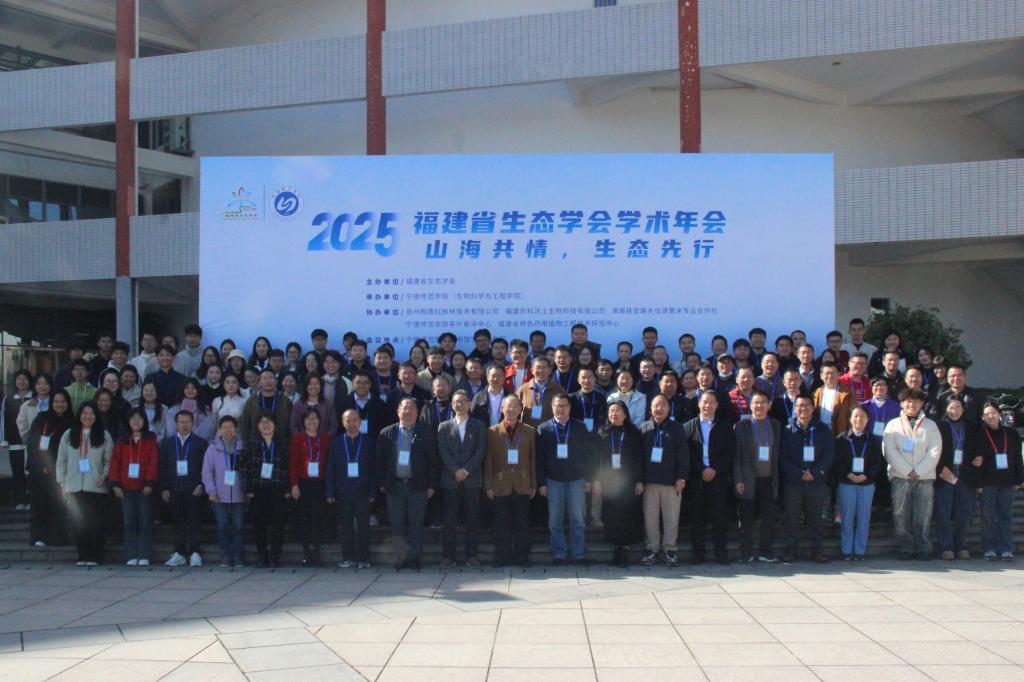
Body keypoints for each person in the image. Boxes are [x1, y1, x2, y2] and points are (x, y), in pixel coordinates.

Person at [376, 398, 438, 570]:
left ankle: (414, 558)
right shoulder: (387, 433)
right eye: (404, 408)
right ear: (398, 412)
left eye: (412, 409)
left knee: (416, 524)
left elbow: (433, 461)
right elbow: (379, 461)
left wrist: (432, 485)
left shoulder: (424, 432)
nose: (408, 412)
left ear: (417, 413)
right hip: (394, 486)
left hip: (418, 486)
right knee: (397, 525)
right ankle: (400, 558)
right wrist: (382, 483)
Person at [882, 387, 942, 560]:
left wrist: (919, 471)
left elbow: (935, 451)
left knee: (923, 515)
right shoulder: (893, 425)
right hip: (900, 476)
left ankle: (923, 548)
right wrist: (908, 471)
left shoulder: (931, 425)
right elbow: (889, 450)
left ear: (922, 404)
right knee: (900, 514)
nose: (912, 405)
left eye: (916, 401)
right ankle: (905, 548)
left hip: (925, 478)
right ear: (902, 403)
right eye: (908, 401)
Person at [537, 393, 593, 565]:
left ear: (570, 408)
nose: (561, 409)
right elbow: (539, 459)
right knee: (555, 520)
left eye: (564, 406)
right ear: (552, 407)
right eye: (557, 406)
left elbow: (588, 456)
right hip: (553, 481)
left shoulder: (580, 427)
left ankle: (578, 554)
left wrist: (588, 478)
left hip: (577, 480)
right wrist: (541, 482)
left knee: (578, 520)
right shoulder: (543, 429)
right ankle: (559, 554)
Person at [56, 402, 113, 566]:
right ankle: (83, 555)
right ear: (79, 415)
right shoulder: (69, 435)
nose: (88, 417)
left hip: (95, 487)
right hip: (74, 486)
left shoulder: (104, 435)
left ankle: (95, 556)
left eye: (91, 414)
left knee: (95, 523)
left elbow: (109, 460)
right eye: (84, 413)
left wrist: (104, 474)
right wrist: (62, 483)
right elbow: (61, 461)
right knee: (79, 523)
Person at [780, 395, 834, 563]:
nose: (803, 408)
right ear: (795, 408)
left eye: (806, 405)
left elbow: (829, 454)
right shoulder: (788, 429)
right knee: (791, 519)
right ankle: (791, 551)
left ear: (813, 408)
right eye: (799, 406)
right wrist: (799, 473)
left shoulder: (822, 429)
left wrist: (815, 472)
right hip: (793, 482)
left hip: (816, 481)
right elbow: (783, 457)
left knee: (816, 518)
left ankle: (817, 551)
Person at [484, 395, 536, 567]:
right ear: (502, 409)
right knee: (501, 524)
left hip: (522, 483)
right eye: (508, 406)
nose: (511, 409)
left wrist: (533, 483)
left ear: (520, 410)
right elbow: (489, 460)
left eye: (515, 406)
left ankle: (522, 557)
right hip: (500, 484)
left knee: (522, 523)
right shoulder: (492, 432)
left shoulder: (529, 431)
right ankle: (502, 557)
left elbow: (532, 460)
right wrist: (489, 485)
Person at [683, 392, 734, 565]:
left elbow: (729, 452)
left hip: (718, 478)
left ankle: (721, 553)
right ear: (699, 404)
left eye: (711, 402)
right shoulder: (688, 426)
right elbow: (687, 453)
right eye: (705, 402)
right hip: (697, 479)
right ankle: (698, 554)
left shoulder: (725, 426)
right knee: (697, 517)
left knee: (719, 516)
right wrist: (701, 470)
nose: (707, 406)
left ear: (717, 405)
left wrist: (715, 469)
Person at [437, 389, 486, 568]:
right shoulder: (444, 426)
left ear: (470, 403)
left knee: (472, 519)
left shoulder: (479, 426)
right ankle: (448, 556)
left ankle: (471, 555)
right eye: (456, 402)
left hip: (472, 479)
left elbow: (480, 450)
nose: (459, 404)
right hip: (451, 480)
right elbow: (443, 451)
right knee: (449, 521)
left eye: (463, 401)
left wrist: (466, 470)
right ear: (452, 405)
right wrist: (455, 470)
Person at [593, 400, 643, 567]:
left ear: (625, 414)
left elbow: (639, 458)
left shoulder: (634, 433)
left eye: (617, 411)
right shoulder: (602, 433)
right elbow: (597, 460)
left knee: (627, 514)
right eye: (611, 411)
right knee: (612, 515)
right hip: (609, 481)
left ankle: (625, 550)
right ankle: (616, 548)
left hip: (629, 480)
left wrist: (640, 480)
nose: (613, 414)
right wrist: (596, 480)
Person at [639, 395, 688, 567]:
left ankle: (670, 549)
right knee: (650, 518)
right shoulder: (644, 428)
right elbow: (638, 457)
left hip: (671, 481)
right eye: (656, 406)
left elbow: (683, 454)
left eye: (663, 405)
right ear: (650, 409)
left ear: (669, 408)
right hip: (649, 481)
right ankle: (651, 548)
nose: (659, 409)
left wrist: (682, 477)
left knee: (671, 518)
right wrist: (639, 480)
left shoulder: (677, 428)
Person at [733, 390, 781, 563]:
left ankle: (765, 552)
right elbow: (736, 455)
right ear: (750, 405)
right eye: (755, 403)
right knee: (746, 519)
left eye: (763, 402)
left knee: (767, 518)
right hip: (747, 479)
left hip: (768, 479)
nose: (759, 406)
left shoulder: (776, 425)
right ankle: (746, 552)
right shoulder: (741, 426)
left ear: (769, 405)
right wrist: (738, 478)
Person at [108, 408, 159, 566]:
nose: (136, 422)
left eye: (139, 419)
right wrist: (115, 484)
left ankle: (144, 554)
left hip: (144, 487)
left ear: (144, 421)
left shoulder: (150, 439)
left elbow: (153, 462)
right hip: (126, 488)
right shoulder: (122, 441)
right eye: (133, 419)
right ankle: (131, 554)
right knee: (129, 521)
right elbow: (115, 463)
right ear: (128, 422)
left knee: (145, 521)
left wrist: (150, 482)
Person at [327, 409, 377, 569]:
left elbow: (374, 469)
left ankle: (363, 558)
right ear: (343, 423)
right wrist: (330, 491)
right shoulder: (336, 443)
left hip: (363, 491)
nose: (352, 423)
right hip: (343, 490)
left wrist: (373, 491)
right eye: (348, 420)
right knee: (346, 526)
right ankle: (348, 557)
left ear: (360, 422)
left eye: (355, 420)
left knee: (363, 526)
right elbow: (330, 468)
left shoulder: (368, 442)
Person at [159, 409, 208, 567]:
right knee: (178, 521)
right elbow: (163, 466)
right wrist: (164, 487)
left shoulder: (200, 443)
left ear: (192, 424)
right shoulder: (167, 443)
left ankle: (195, 552)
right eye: (181, 422)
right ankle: (179, 552)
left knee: (195, 520)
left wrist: (201, 484)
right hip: (174, 487)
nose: (184, 425)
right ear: (176, 424)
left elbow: (205, 466)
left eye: (187, 422)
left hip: (194, 488)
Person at [975, 401, 1024, 561]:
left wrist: (1019, 479)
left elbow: (1018, 458)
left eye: (993, 413)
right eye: (987, 414)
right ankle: (989, 548)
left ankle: (1006, 549)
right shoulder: (979, 434)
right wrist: (978, 483)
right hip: (987, 481)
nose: (991, 416)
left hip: (1007, 481)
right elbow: (976, 459)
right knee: (988, 517)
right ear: (982, 417)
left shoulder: (1011, 433)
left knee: (1005, 516)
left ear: (999, 414)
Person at [834, 405, 884, 560]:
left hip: (866, 484)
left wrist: (866, 475)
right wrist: (848, 474)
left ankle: (860, 551)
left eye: (862, 416)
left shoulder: (873, 440)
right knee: (847, 517)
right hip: (847, 483)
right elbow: (837, 461)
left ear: (868, 420)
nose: (858, 419)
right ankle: (846, 550)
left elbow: (877, 462)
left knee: (863, 518)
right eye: (855, 416)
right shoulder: (842, 439)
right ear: (850, 419)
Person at [24, 389, 73, 547]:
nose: (60, 405)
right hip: (40, 470)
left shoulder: (72, 421)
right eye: (56, 401)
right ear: (52, 403)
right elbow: (32, 444)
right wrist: (41, 465)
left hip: (60, 471)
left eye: (63, 401)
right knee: (39, 505)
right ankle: (39, 537)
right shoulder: (41, 418)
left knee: (59, 505)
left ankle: (59, 537)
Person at [243, 412, 290, 567]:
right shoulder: (252, 443)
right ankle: (262, 555)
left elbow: (287, 466)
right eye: (262, 422)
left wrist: (288, 487)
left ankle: (275, 555)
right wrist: (248, 488)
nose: (266, 425)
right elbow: (245, 467)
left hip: (277, 487)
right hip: (258, 488)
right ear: (257, 425)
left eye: (269, 421)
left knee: (278, 523)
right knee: (259, 524)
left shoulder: (282, 443)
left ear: (275, 424)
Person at [934, 397, 977, 560]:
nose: (955, 411)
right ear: (946, 409)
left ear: (963, 409)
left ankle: (961, 544)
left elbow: (978, 448)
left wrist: (979, 458)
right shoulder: (939, 427)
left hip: (965, 476)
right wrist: (940, 468)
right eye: (951, 407)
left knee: (964, 513)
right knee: (943, 513)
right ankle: (945, 546)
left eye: (958, 407)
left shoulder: (972, 427)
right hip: (945, 475)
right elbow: (933, 450)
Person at [203, 415, 246, 568]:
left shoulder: (243, 447)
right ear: (220, 430)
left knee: (239, 527)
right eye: (225, 427)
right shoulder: (213, 448)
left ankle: (239, 557)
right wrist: (211, 490)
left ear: (236, 429)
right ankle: (225, 557)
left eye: (231, 427)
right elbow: (207, 472)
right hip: (219, 494)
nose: (228, 430)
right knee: (222, 526)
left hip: (239, 493)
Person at [289, 407, 328, 567]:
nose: (312, 421)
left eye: (315, 418)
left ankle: (317, 552)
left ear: (319, 421)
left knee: (318, 519)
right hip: (303, 483)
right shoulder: (297, 439)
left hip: (320, 483)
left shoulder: (325, 439)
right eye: (308, 418)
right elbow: (292, 463)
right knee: (304, 519)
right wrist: (294, 485)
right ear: (303, 421)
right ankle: (306, 553)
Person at [3, 369, 33, 509]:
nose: (22, 382)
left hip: (31, 443)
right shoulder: (8, 399)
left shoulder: (34, 398)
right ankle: (20, 500)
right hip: (14, 442)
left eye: (25, 379)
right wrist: (4, 439)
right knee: (17, 472)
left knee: (31, 473)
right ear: (15, 382)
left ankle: (31, 500)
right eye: (19, 379)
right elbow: (3, 419)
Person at [239, 369, 292, 442]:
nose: (268, 381)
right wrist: (248, 442)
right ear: (260, 382)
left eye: (271, 378)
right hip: (257, 442)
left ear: (276, 381)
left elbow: (291, 424)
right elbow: (245, 424)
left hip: (281, 442)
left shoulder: (285, 401)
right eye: (264, 378)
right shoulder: (252, 401)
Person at [517, 356, 565, 429]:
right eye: (538, 367)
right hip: (527, 432)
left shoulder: (559, 390)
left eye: (544, 368)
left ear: (549, 370)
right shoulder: (522, 390)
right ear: (532, 370)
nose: (541, 371)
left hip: (550, 432)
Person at [338, 371, 386, 440]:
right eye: (358, 382)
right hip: (350, 442)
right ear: (353, 383)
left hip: (373, 442)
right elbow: (340, 428)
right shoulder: (344, 403)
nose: (362, 386)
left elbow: (383, 428)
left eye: (365, 383)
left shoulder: (380, 404)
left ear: (370, 384)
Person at [813, 362, 854, 436]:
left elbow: (853, 415)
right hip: (819, 433)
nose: (830, 376)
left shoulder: (847, 394)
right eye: (827, 373)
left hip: (840, 434)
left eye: (833, 373)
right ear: (821, 376)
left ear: (838, 375)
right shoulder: (816, 393)